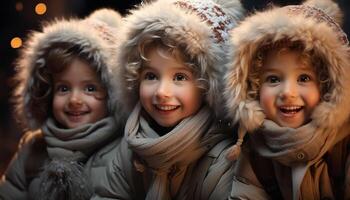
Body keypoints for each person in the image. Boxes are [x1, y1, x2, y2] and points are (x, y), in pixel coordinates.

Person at [92, 0, 245, 199]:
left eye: (180, 77)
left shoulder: (222, 159)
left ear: (209, 86)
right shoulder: (129, 148)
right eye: (151, 76)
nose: (162, 92)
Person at [223, 0, 350, 199]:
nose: (287, 92)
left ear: (329, 87)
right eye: (273, 79)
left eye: (304, 78)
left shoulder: (343, 146)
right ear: (253, 88)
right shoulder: (255, 148)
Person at [0, 9, 125, 200]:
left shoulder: (121, 151)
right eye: (63, 88)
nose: (74, 100)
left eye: (90, 89)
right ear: (48, 93)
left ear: (112, 95)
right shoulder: (34, 147)